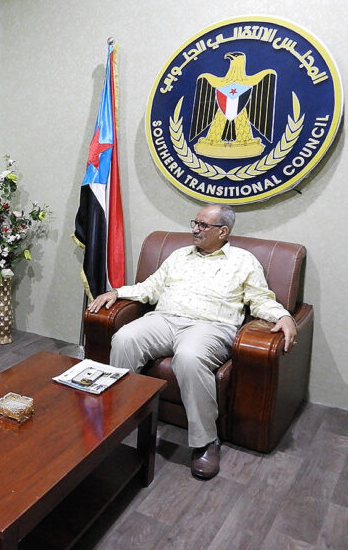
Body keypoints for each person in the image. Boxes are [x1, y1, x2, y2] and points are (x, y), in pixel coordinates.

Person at [88, 204, 297, 480]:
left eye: (203, 225)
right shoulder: (179, 256)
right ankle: (121, 418)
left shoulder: (243, 261)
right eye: (195, 223)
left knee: (189, 357)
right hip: (165, 319)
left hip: (210, 327)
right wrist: (117, 292)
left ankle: (205, 442)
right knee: (125, 338)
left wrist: (283, 316)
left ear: (223, 231)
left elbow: (259, 299)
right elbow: (150, 288)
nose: (195, 229)